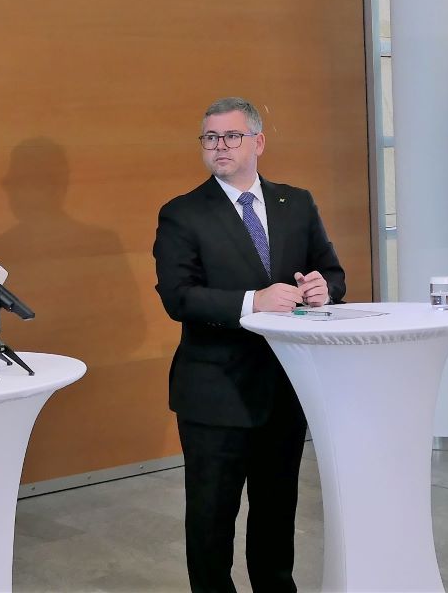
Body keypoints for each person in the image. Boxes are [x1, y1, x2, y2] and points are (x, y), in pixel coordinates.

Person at [153, 97, 346, 592]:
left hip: (285, 388)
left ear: (257, 142)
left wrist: (325, 289)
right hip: (215, 392)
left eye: (231, 136)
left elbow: (333, 271)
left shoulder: (296, 202)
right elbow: (179, 298)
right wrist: (252, 301)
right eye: (210, 138)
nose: (220, 146)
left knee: (277, 511)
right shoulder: (182, 213)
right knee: (212, 518)